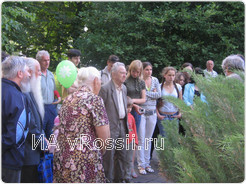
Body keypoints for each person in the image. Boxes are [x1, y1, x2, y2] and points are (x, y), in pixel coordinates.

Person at [53, 67, 110, 183]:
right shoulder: (95, 100)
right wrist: (100, 152)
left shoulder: (68, 99)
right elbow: (104, 137)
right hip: (84, 161)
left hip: (63, 157)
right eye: (100, 81)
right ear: (95, 81)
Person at [2, 56, 31, 183]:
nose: (29, 75)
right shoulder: (18, 97)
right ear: (19, 73)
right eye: (27, 71)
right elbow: (16, 135)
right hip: (9, 161)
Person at [99, 62, 129, 183]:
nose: (124, 75)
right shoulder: (105, 89)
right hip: (110, 127)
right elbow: (100, 111)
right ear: (113, 74)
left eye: (125, 73)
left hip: (122, 125)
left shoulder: (124, 88)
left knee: (122, 155)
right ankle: (107, 180)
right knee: (109, 157)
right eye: (122, 73)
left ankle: (119, 179)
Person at [21, 58, 48, 183]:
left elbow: (37, 124)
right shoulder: (24, 93)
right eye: (38, 71)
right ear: (30, 72)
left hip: (33, 153)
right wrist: (44, 144)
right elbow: (31, 128)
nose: (40, 73)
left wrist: (44, 138)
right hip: (28, 155)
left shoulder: (30, 91)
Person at [137, 62, 161, 175]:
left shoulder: (155, 80)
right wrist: (152, 93)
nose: (149, 72)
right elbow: (139, 96)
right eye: (147, 69)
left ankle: (147, 163)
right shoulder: (139, 80)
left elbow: (159, 95)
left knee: (148, 139)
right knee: (141, 139)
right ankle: (141, 164)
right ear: (142, 70)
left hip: (152, 113)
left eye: (150, 69)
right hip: (141, 112)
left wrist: (146, 94)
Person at [36, 50, 58, 139]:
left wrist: (58, 97)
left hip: (51, 107)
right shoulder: (36, 75)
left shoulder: (51, 74)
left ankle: (51, 152)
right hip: (40, 107)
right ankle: (41, 151)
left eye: (48, 60)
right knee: (40, 132)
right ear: (39, 61)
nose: (47, 62)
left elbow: (54, 90)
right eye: (44, 60)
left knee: (52, 132)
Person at [156, 67, 182, 137]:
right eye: (169, 75)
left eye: (173, 75)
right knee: (164, 137)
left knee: (174, 137)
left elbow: (180, 101)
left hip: (174, 115)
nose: (171, 77)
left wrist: (180, 113)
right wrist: (158, 115)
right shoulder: (159, 86)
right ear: (165, 75)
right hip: (163, 115)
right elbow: (155, 102)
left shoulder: (178, 87)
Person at [124, 60, 146, 133]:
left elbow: (143, 99)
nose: (135, 74)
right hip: (126, 109)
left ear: (140, 71)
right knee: (126, 132)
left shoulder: (142, 82)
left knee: (134, 133)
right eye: (133, 71)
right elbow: (122, 97)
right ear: (130, 70)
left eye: (138, 72)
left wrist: (132, 101)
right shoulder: (125, 81)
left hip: (137, 111)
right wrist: (131, 103)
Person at [125, 96, 139, 181]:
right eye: (127, 107)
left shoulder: (131, 117)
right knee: (122, 160)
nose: (129, 109)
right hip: (122, 142)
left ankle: (128, 176)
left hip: (130, 141)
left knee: (130, 159)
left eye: (130, 107)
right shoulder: (121, 117)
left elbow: (134, 130)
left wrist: (135, 141)